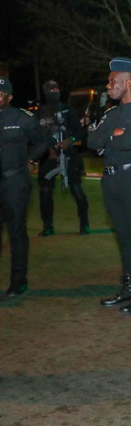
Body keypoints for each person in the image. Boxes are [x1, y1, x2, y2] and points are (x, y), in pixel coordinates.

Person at [87, 58, 131, 313]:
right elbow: (92, 142)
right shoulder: (112, 114)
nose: (108, 86)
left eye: (112, 81)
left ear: (128, 83)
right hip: (111, 180)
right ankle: (128, 287)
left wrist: (115, 138)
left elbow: (128, 140)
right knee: (124, 237)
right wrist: (113, 135)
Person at [0, 78, 47, 296]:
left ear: (8, 97)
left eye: (0, 94)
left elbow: (41, 142)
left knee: (16, 232)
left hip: (14, 182)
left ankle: (18, 280)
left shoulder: (21, 118)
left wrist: (29, 159)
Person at [37, 80, 90, 236]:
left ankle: (84, 223)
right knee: (45, 191)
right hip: (49, 156)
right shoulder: (40, 112)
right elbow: (36, 136)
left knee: (76, 188)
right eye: (51, 89)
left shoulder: (68, 110)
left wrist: (70, 140)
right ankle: (48, 226)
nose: (55, 92)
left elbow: (81, 133)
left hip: (69, 155)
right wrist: (48, 149)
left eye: (57, 89)